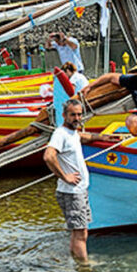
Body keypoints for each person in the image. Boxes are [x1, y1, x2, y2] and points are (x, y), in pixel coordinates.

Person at [44, 98, 100, 261]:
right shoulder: (60, 134)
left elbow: (83, 136)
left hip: (78, 191)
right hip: (72, 192)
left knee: (79, 232)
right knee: (80, 233)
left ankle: (76, 261)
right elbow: (48, 156)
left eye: (79, 115)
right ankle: (85, 267)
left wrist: (105, 137)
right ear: (64, 115)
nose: (77, 118)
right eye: (73, 115)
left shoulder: (72, 132)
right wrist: (64, 176)